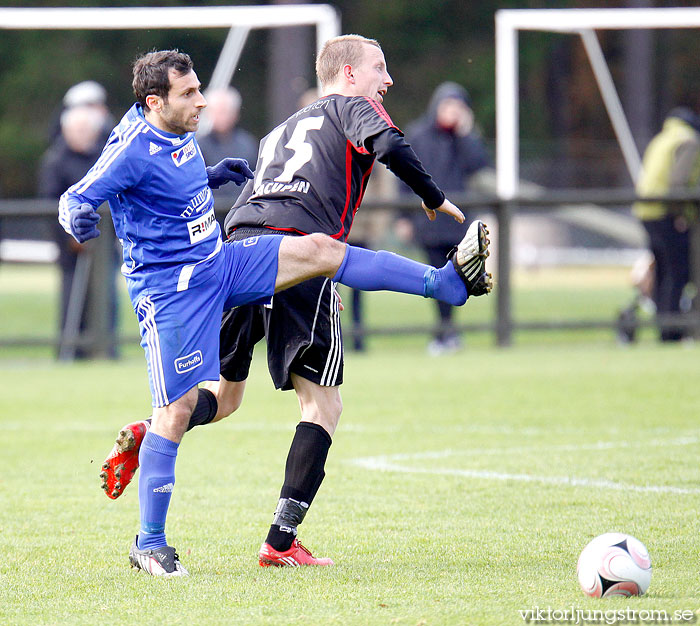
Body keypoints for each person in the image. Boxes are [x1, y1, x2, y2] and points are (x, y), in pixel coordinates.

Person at [69, 45, 491, 578]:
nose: (202, 100)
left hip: (224, 258)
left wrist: (213, 174)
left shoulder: (197, 130)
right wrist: (80, 217)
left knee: (314, 261)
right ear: (155, 101)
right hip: (173, 291)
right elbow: (78, 196)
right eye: (190, 93)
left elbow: (171, 179)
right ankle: (153, 543)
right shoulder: (132, 145)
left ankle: (444, 285)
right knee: (198, 412)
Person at [397, 82, 491, 354]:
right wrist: (403, 217)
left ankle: (448, 332)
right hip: (428, 222)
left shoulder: (464, 139)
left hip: (458, 223)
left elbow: (478, 165)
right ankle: (444, 332)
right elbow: (404, 177)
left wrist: (464, 133)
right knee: (435, 278)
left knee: (459, 278)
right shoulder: (417, 134)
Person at [38, 104, 119, 359]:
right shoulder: (55, 160)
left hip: (104, 245)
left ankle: (107, 350)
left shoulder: (105, 158)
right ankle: (70, 351)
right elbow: (49, 204)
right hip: (70, 251)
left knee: (106, 301)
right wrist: (69, 237)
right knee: (72, 300)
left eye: (87, 129)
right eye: (78, 129)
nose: (83, 135)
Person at [632, 105, 700, 342]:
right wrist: (681, 213)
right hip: (666, 212)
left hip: (645, 211)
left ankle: (663, 327)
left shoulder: (661, 139)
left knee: (661, 272)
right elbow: (678, 182)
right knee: (677, 272)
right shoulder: (688, 140)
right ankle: (672, 330)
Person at [197, 86, 258, 203]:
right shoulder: (199, 146)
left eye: (225, 111)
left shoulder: (248, 144)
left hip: (242, 210)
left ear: (235, 113)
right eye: (217, 111)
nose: (222, 117)